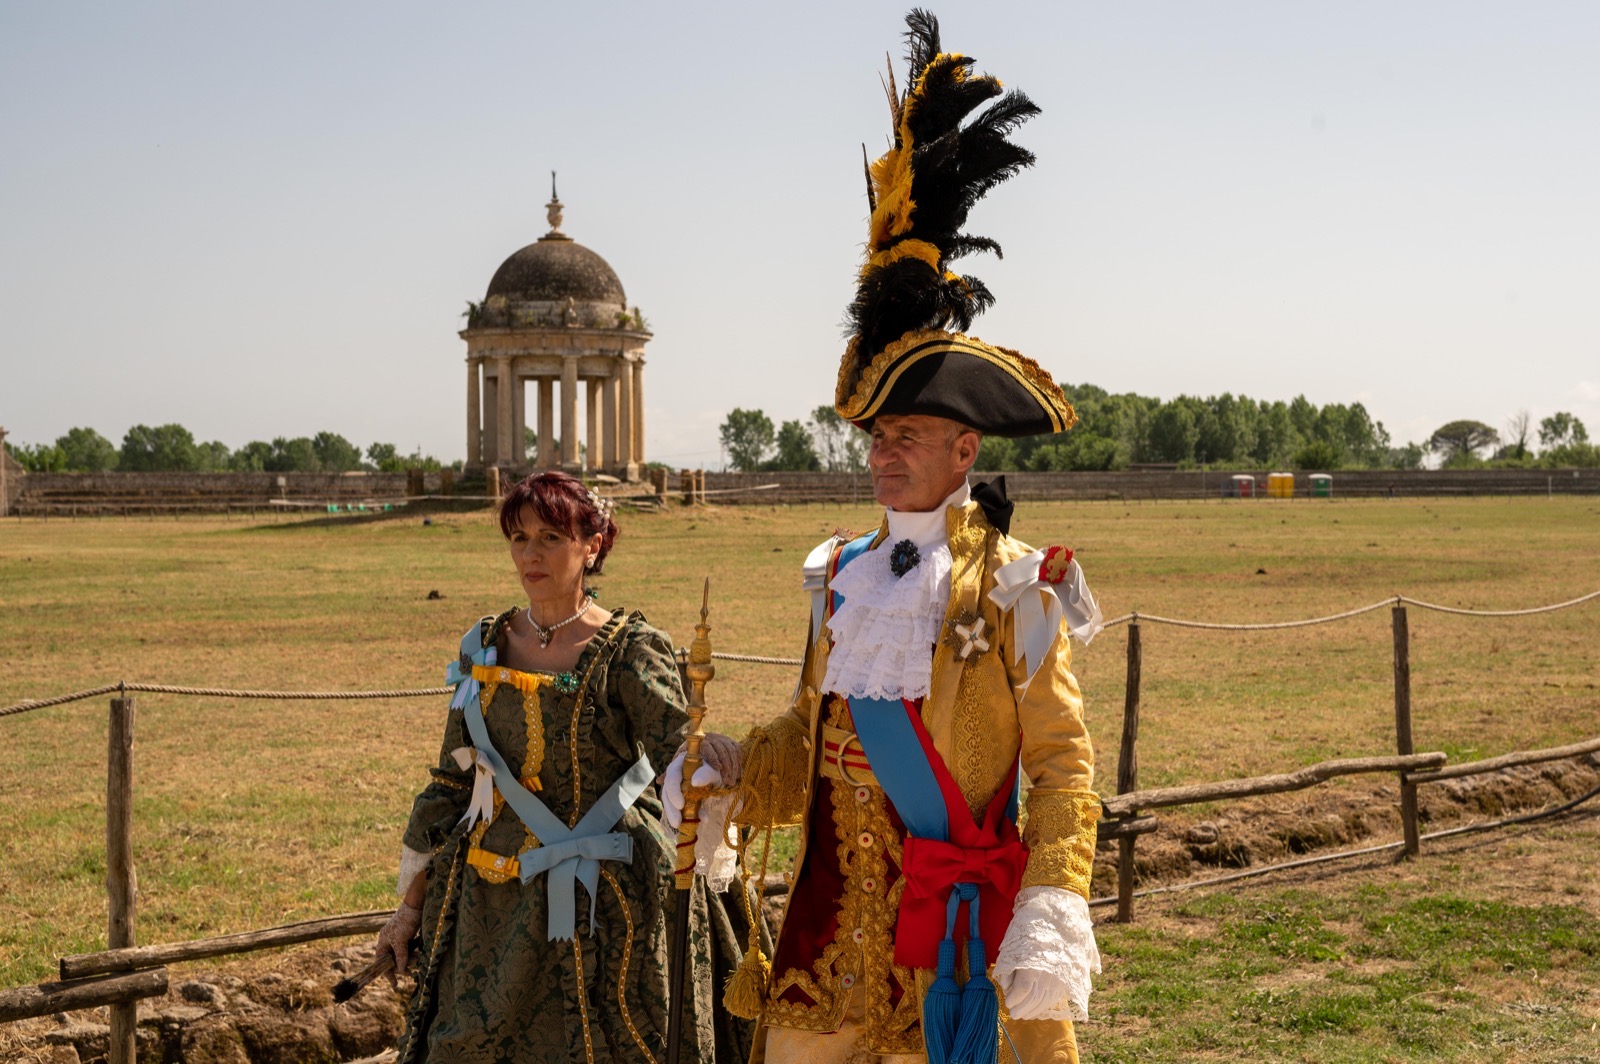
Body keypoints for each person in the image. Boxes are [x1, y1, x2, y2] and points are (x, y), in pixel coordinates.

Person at [663, 12, 1104, 1063]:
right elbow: (808, 751)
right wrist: (732, 762)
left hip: (952, 945)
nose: (883, 450)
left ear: (963, 449)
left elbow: (1062, 764)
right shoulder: (838, 579)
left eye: (908, 432)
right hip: (821, 949)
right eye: (876, 432)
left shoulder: (1020, 589)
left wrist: (1053, 899)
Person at [375, 471, 758, 1064]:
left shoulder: (631, 646)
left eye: (551, 537)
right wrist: (407, 912)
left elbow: (676, 752)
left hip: (612, 903)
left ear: (592, 544)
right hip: (492, 907)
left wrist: (709, 755)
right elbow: (452, 783)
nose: (531, 554)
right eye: (520, 537)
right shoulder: (481, 646)